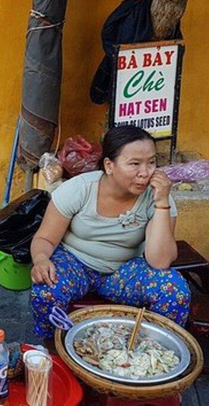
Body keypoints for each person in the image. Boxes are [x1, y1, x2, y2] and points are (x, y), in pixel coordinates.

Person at [29, 126, 191, 341]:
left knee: (174, 291)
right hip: (74, 263)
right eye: (134, 164)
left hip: (124, 271)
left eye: (151, 162)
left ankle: (148, 353)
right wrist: (40, 259)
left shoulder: (158, 197)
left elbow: (160, 261)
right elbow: (45, 239)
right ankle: (53, 351)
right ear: (109, 165)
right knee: (45, 290)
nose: (146, 172)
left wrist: (162, 204)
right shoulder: (79, 189)